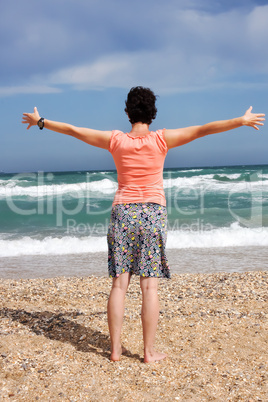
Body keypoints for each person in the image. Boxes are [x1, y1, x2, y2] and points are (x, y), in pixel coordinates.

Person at [22, 86, 265, 363]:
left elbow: (75, 131)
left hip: (123, 212)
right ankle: (148, 353)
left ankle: (115, 351)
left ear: (127, 112)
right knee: (149, 287)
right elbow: (204, 130)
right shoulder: (162, 139)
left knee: (119, 285)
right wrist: (241, 121)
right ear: (153, 113)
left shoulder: (115, 140)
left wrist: (41, 122)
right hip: (152, 214)